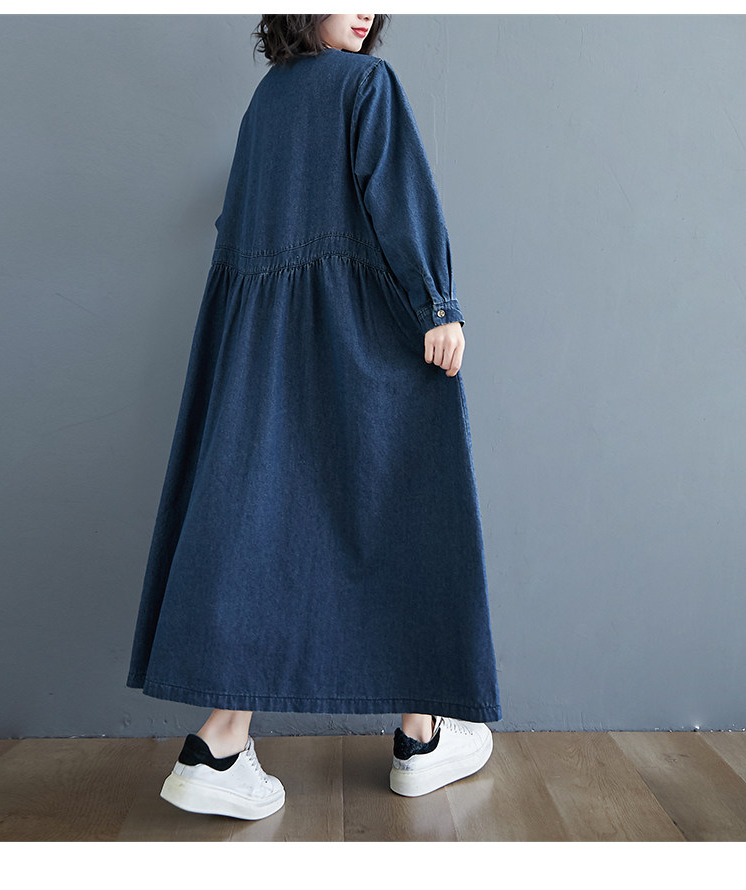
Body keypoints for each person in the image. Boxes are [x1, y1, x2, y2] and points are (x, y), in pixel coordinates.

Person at [126, 13, 501, 821]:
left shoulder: (266, 100)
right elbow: (397, 197)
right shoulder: (366, 84)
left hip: (256, 350)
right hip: (349, 335)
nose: (366, 8)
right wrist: (437, 305)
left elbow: (235, 228)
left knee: (264, 521)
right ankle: (420, 733)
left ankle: (220, 741)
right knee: (403, 503)